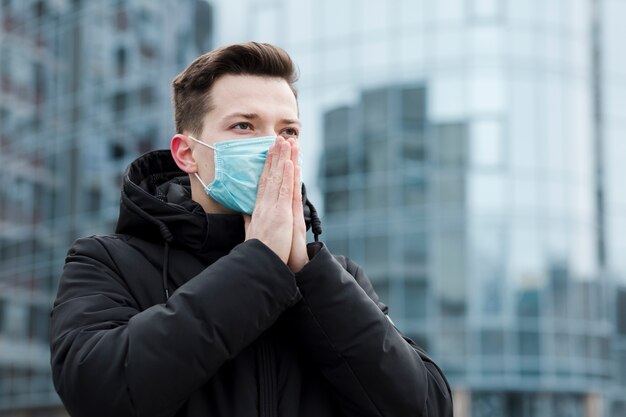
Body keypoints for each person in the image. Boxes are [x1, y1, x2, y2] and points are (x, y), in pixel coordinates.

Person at [50, 42, 453, 417]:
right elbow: (97, 392)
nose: (272, 146)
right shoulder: (106, 261)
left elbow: (426, 406)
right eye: (244, 126)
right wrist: (259, 263)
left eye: (288, 131)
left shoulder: (338, 277)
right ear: (187, 153)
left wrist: (308, 274)